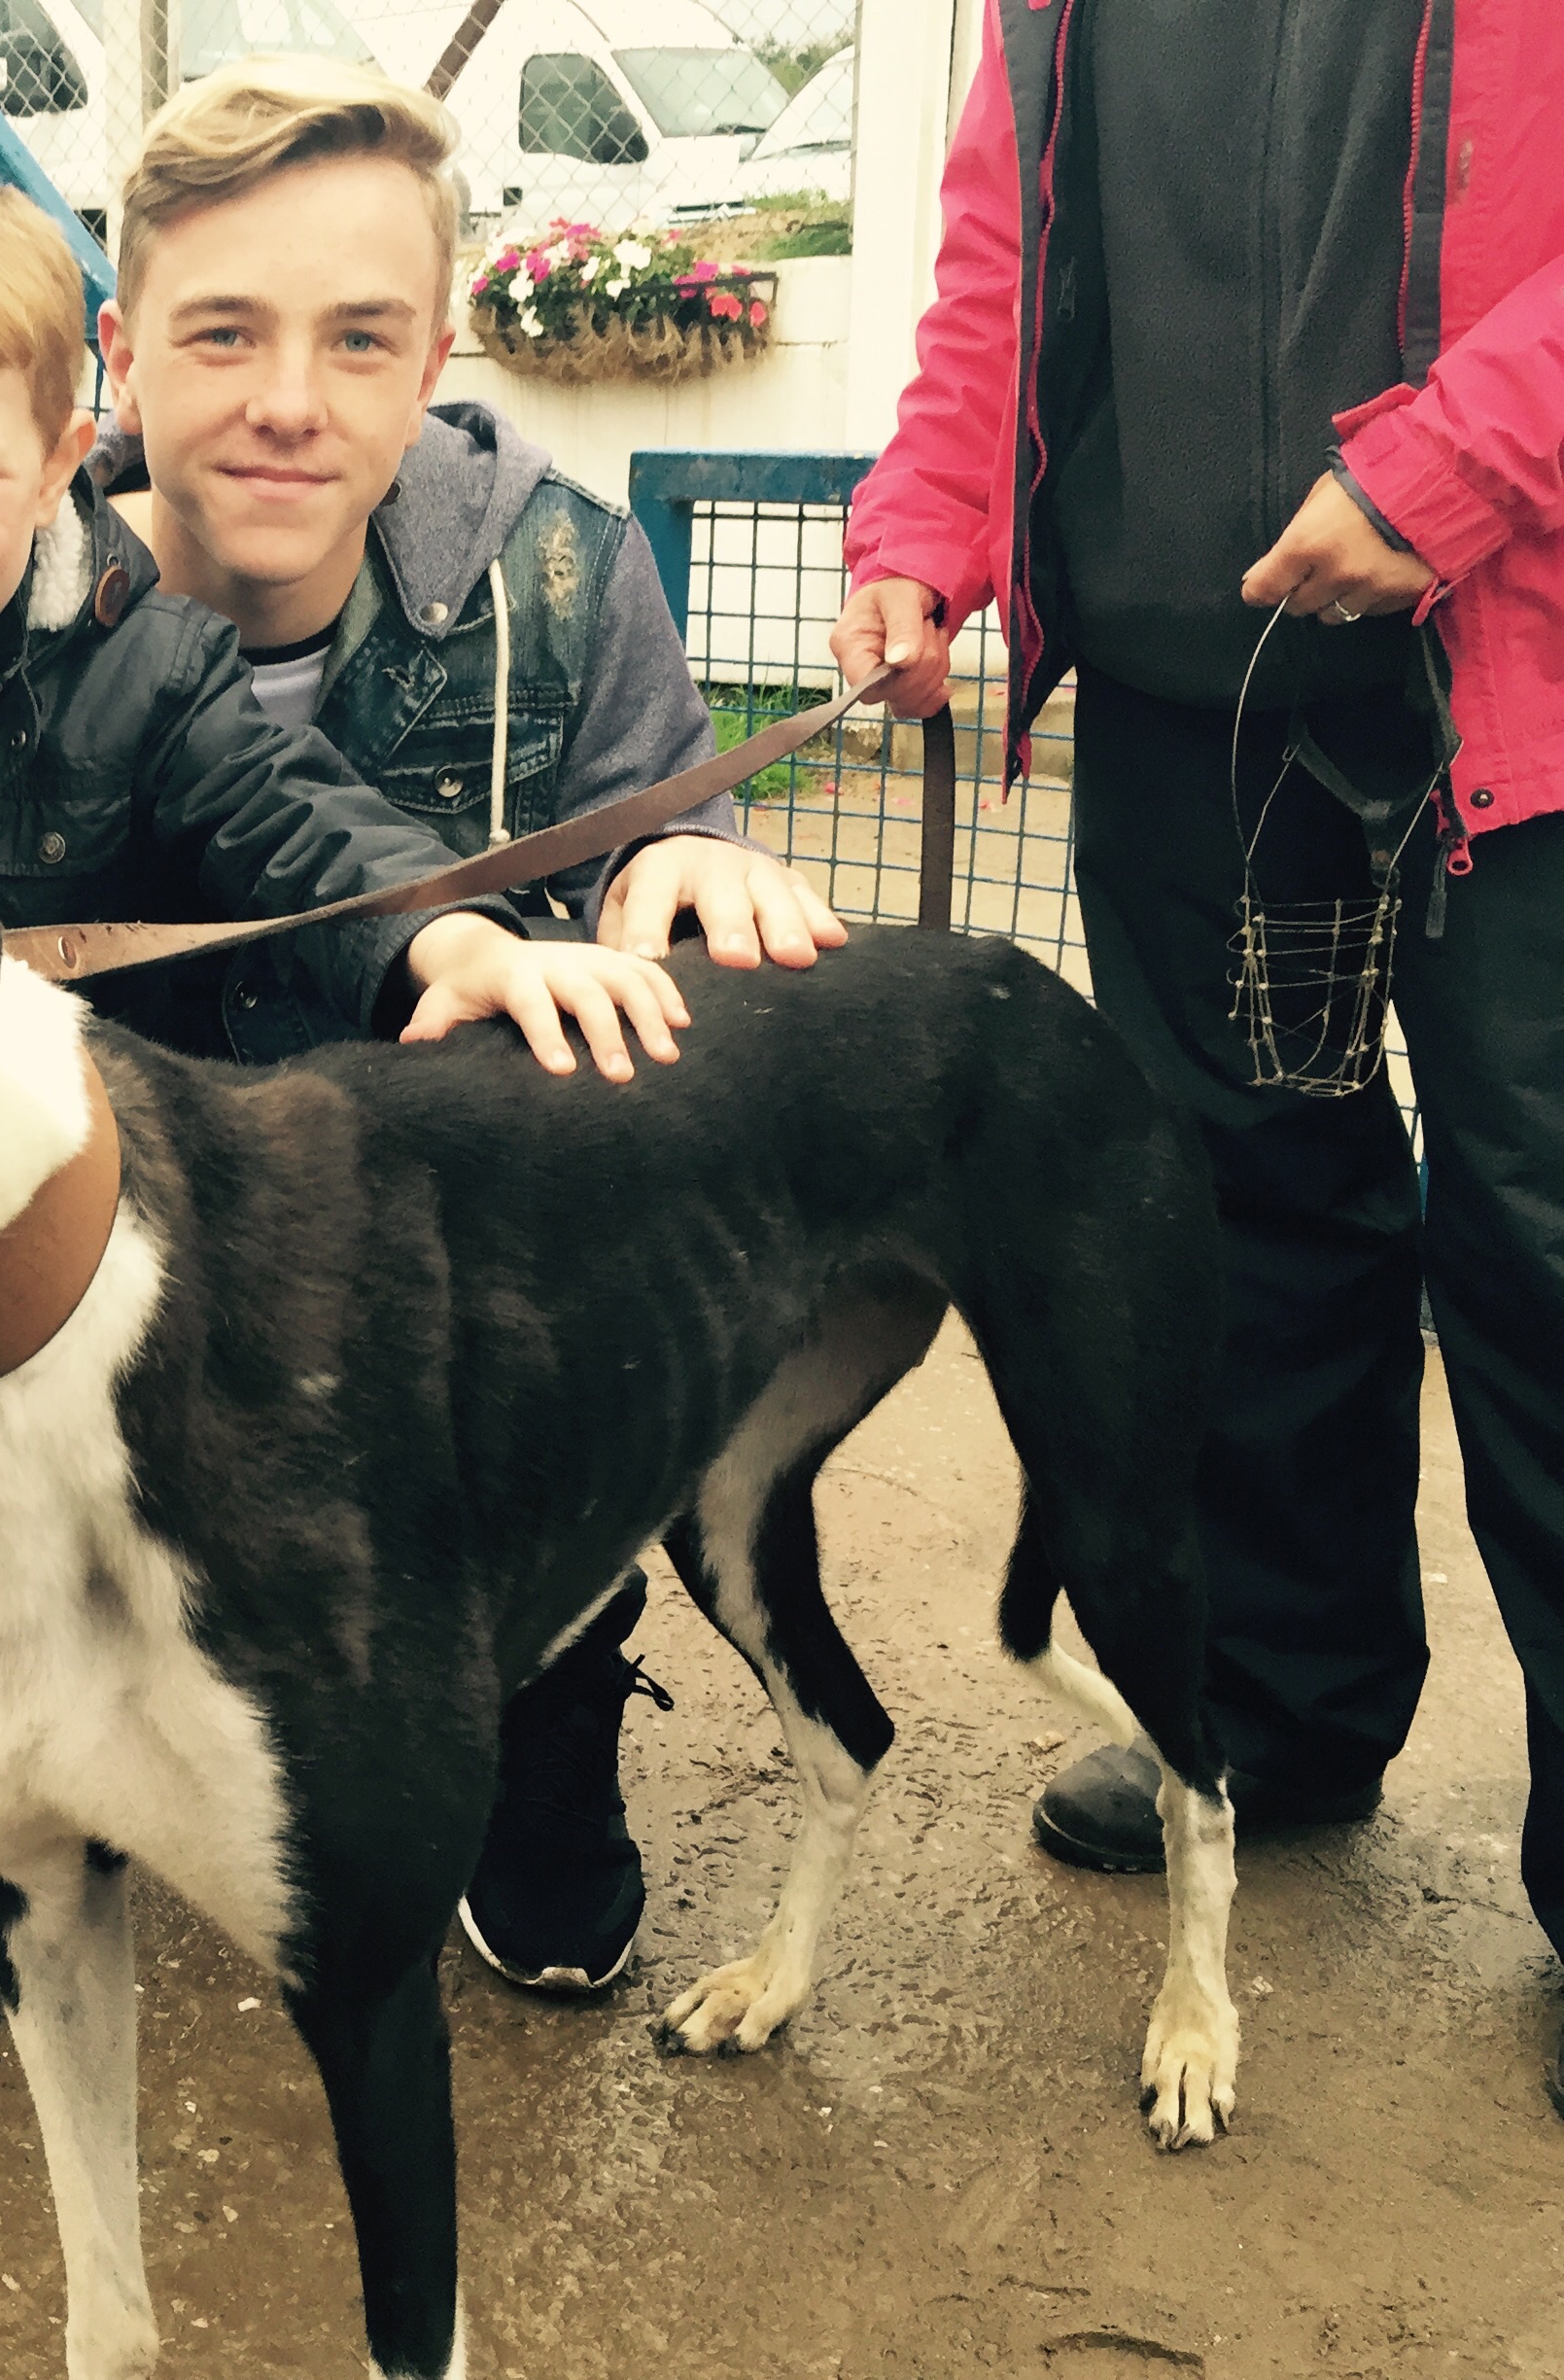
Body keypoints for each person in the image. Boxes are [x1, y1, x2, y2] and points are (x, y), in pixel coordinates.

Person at [0, 154, 716, 2058]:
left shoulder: (137, 661)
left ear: (61, 458)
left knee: (114, 1480)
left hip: (84, 1207)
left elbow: (300, 827)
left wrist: (446, 939)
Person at [830, 0, 1563, 2095]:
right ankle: (1276, 1705)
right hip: (1188, 701)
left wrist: (1451, 465)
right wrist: (923, 527)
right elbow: (1002, 262)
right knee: (1241, 1223)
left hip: (1517, 665)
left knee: (1546, 1253)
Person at [90, 54, 852, 2004]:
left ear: (432, 355)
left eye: (358, 339)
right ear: (120, 354)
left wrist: (684, 861)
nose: (289, 399)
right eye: (222, 333)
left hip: (439, 1271)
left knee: (615, 1188)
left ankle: (542, 1687)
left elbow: (663, 821)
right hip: (114, 1250)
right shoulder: (1, 574)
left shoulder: (564, 566)